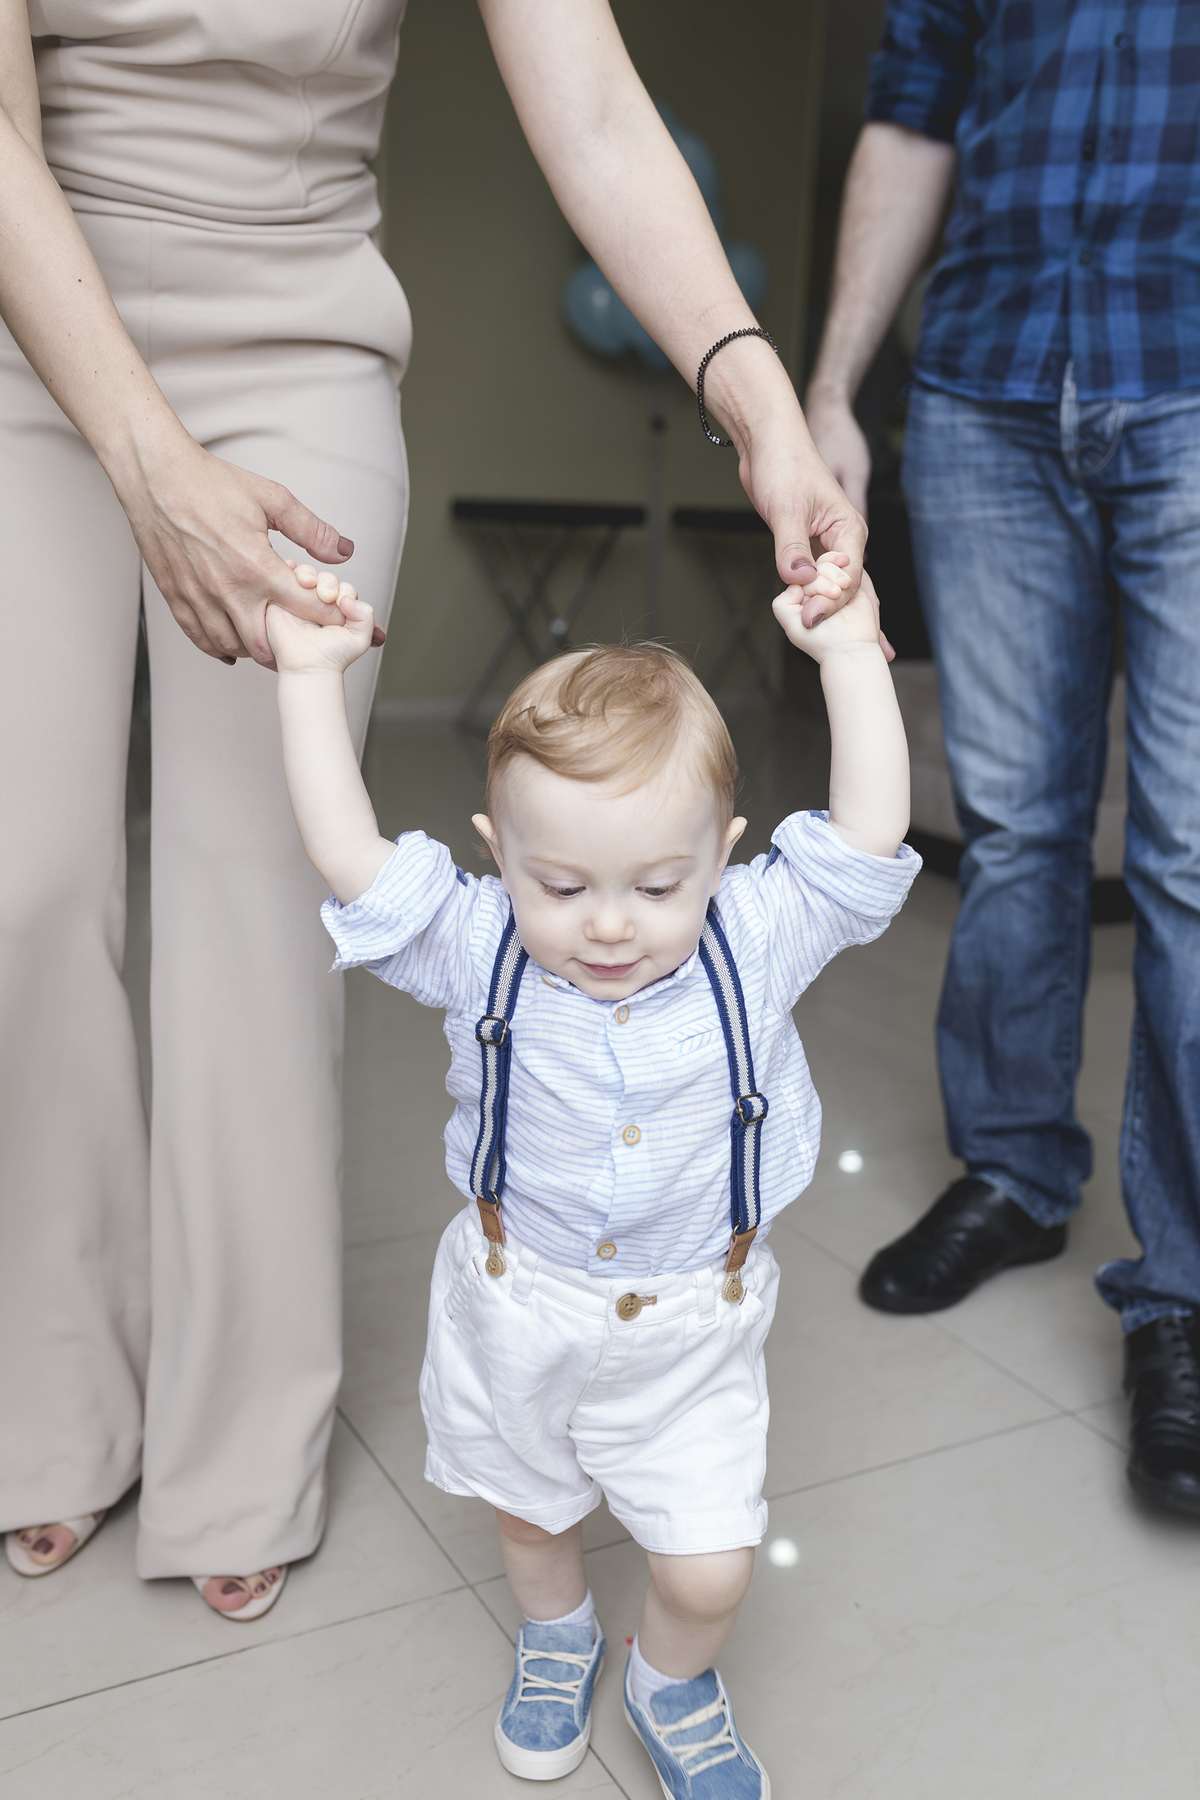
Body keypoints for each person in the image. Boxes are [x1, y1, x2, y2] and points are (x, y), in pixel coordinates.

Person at [0, 1, 870, 1614]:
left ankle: (237, 1444)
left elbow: (596, 110)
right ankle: (50, 1399)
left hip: (294, 339)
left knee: (257, 885)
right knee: (22, 887)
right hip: (29, 324)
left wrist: (753, 396)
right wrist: (147, 460)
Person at [264, 548, 916, 1793]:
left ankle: (671, 1679)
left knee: (709, 1564)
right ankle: (558, 1636)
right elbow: (348, 854)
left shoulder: (761, 933)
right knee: (534, 1517)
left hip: (694, 1326)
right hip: (521, 1309)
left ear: (721, 856)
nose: (608, 923)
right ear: (496, 852)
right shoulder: (474, 942)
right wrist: (309, 680)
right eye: (559, 883)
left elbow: (869, 830)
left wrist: (842, 657)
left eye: (658, 884)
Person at [805, 0, 1200, 1517]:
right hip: (983, 392)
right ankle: (1018, 1173)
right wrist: (837, 385)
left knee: (1182, 856)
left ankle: (1184, 1294)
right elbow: (913, 112)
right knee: (1020, 830)